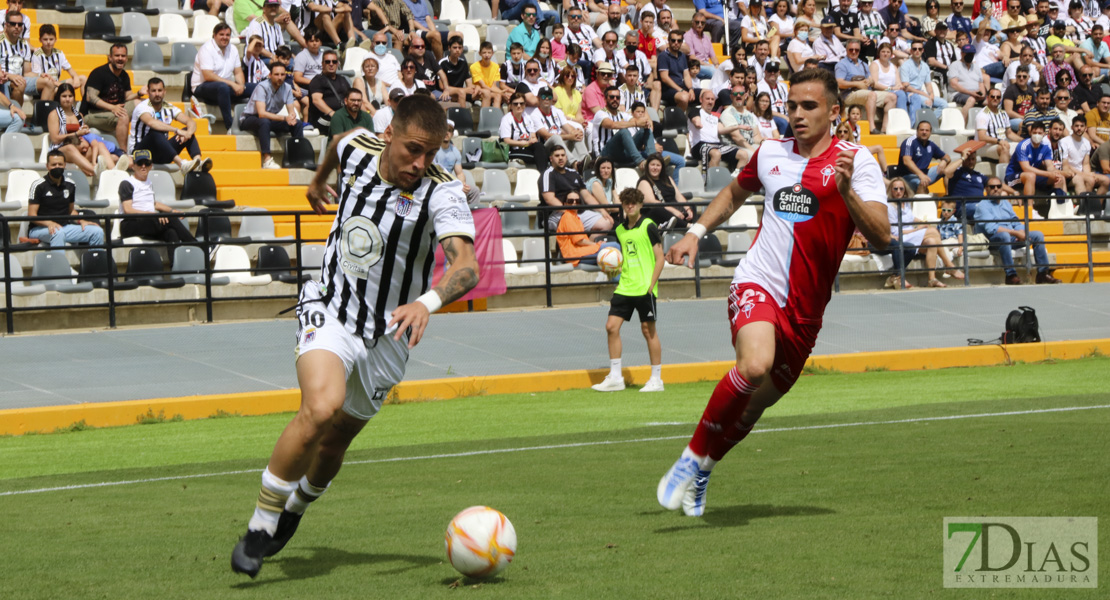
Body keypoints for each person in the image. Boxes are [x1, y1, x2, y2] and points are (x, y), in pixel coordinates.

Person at [230, 96, 480, 578]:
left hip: (389, 334)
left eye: (432, 153)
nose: (421, 163)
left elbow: (467, 267)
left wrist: (425, 303)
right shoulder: (359, 148)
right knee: (321, 407)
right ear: (389, 135)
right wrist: (318, 180)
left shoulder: (441, 191)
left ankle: (294, 511)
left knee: (334, 443)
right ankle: (260, 526)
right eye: (413, 150)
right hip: (330, 307)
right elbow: (338, 142)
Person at [656, 67, 890, 518]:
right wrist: (695, 231)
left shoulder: (855, 162)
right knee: (755, 365)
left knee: (749, 410)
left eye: (809, 106)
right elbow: (733, 193)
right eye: (792, 106)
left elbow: (881, 236)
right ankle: (691, 458)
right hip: (756, 282)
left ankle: (705, 468)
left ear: (834, 112)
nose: (797, 115)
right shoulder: (770, 153)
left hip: (805, 313)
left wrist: (846, 194)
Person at [591, 187, 666, 393]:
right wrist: (613, 268)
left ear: (640, 205)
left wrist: (652, 285)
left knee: (648, 331)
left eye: (633, 203)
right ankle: (616, 377)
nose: (630, 206)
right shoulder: (620, 229)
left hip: (645, 288)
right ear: (623, 205)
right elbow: (625, 256)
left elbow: (660, 257)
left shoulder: (649, 226)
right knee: (611, 327)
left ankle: (656, 379)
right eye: (626, 203)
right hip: (625, 286)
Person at [886, 177, 962, 287]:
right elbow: (896, 231)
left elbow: (911, 218)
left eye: (901, 189)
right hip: (902, 236)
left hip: (911, 234)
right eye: (895, 189)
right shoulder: (890, 206)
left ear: (905, 190)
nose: (898, 192)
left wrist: (922, 222)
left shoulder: (905, 203)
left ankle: (932, 279)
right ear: (891, 190)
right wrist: (917, 229)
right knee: (933, 231)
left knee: (932, 241)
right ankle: (950, 266)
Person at [119, 149, 198, 252]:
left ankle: (176, 266)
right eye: (139, 163)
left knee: (171, 233)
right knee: (169, 219)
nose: (143, 166)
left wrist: (171, 211)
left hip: (147, 221)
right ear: (133, 166)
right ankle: (198, 247)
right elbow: (127, 209)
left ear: (151, 166)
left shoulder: (148, 182)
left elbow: (152, 203)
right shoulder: (126, 183)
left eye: (146, 163)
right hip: (130, 224)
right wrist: (152, 215)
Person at [974, 193, 1062, 284]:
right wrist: (1015, 233)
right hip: (992, 240)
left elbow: (1015, 222)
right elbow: (991, 228)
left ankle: (1042, 274)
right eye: (992, 187)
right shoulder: (982, 205)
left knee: (1038, 235)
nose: (995, 189)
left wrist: (1021, 232)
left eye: (998, 186)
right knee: (1005, 236)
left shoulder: (1006, 203)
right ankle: (1011, 275)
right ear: (987, 189)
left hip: (1010, 237)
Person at [128, 77, 209, 174]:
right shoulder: (143, 107)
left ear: (164, 92)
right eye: (153, 91)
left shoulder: (168, 107)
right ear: (148, 92)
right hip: (140, 153)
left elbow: (191, 122)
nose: (157, 94)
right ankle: (182, 164)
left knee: (187, 129)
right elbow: (151, 122)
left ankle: (198, 163)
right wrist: (177, 130)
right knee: (156, 132)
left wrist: (188, 133)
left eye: (159, 90)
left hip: (161, 153)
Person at [27, 150, 104, 249]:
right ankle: (59, 264)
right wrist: (49, 223)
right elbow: (31, 215)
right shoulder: (38, 185)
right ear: (47, 166)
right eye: (54, 164)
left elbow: (70, 211)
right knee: (58, 232)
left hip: (64, 227)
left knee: (97, 231)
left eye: (60, 164)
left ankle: (95, 262)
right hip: (39, 229)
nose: (57, 167)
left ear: (65, 165)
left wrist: (81, 221)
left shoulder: (70, 184)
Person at [240, 63, 306, 169]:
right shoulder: (262, 87)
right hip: (250, 118)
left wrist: (292, 118)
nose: (280, 77)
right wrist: (285, 118)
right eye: (276, 74)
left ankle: (296, 159)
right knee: (264, 121)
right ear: (270, 75)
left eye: (282, 74)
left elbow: (291, 111)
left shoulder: (288, 88)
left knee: (297, 124)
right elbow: (262, 114)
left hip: (270, 118)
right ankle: (267, 160)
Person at [540, 145, 612, 231]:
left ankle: (590, 244)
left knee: (607, 223)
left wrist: (602, 210)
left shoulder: (574, 173)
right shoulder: (548, 174)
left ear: (566, 157)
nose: (560, 158)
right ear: (551, 159)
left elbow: (587, 196)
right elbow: (549, 199)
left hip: (578, 212)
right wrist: (569, 213)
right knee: (572, 224)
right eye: (557, 155)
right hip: (557, 213)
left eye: (563, 155)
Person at [82, 44, 139, 150]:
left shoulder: (124, 75)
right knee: (123, 116)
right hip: (92, 115)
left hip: (113, 113)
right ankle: (123, 153)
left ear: (127, 58)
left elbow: (128, 96)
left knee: (141, 105)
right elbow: (91, 98)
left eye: (123, 56)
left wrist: (139, 93)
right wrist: (112, 108)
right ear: (110, 57)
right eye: (117, 56)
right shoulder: (99, 73)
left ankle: (142, 148)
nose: (120, 59)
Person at [191, 23, 248, 128]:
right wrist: (232, 83)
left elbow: (238, 72)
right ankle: (230, 127)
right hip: (202, 86)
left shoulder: (233, 49)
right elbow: (208, 75)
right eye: (221, 34)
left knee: (255, 87)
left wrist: (240, 85)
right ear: (214, 35)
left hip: (224, 87)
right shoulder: (206, 49)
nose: (225, 37)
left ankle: (251, 123)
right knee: (223, 88)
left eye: (227, 35)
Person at [836, 40, 896, 133]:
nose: (854, 52)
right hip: (849, 94)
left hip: (864, 91)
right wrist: (856, 84)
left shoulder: (863, 64)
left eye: (856, 50)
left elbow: (871, 79)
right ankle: (872, 128)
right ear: (847, 50)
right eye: (851, 49)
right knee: (871, 95)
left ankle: (884, 129)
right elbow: (839, 83)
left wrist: (870, 81)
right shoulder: (842, 64)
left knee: (892, 97)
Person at [1006, 120, 1068, 206]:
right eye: (1034, 132)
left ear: (1044, 134)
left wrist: (1055, 173)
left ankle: (1060, 207)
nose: (1037, 135)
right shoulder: (1023, 145)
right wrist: (1048, 174)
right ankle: (1029, 210)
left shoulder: (1046, 147)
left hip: (1034, 176)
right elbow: (1026, 168)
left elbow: (1050, 167)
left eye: (1039, 133)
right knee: (1030, 175)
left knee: (1059, 177)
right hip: (1013, 176)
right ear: (1030, 133)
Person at [555, 190, 619, 266]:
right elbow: (579, 241)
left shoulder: (574, 217)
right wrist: (596, 244)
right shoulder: (568, 217)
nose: (574, 203)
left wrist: (596, 245)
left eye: (577, 201)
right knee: (615, 247)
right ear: (565, 204)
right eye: (570, 201)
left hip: (580, 252)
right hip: (575, 256)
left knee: (613, 251)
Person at [530, 86, 589, 167]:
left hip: (561, 142)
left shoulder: (556, 111)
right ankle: (574, 163)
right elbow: (546, 135)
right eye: (543, 97)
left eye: (549, 97)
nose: (547, 99)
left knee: (577, 133)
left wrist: (575, 133)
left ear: (552, 100)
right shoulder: (534, 115)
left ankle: (585, 161)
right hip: (546, 147)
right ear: (538, 99)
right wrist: (569, 136)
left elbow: (567, 127)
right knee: (555, 137)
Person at [689, 88, 742, 170]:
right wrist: (698, 123)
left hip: (716, 145)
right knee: (716, 153)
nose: (710, 102)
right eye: (707, 99)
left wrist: (738, 126)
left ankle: (736, 179)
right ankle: (712, 181)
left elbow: (721, 130)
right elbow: (695, 120)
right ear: (701, 99)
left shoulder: (715, 117)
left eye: (712, 99)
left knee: (743, 154)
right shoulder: (695, 111)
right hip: (699, 145)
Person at [637, 153, 694, 226]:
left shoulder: (668, 179)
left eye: (658, 165)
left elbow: (679, 196)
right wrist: (673, 211)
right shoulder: (644, 181)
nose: (655, 168)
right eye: (652, 165)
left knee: (692, 207)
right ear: (648, 166)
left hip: (675, 209)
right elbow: (651, 202)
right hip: (658, 212)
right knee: (658, 210)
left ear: (662, 167)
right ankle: (688, 226)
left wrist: (688, 209)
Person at [901, 40, 948, 123]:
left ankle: (928, 123)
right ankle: (922, 125)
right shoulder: (905, 65)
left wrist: (932, 94)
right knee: (927, 103)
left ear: (923, 50)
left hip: (921, 93)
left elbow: (928, 84)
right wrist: (925, 94)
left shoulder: (925, 66)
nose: (917, 51)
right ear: (911, 51)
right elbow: (906, 86)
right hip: (910, 93)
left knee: (944, 104)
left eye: (919, 49)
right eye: (914, 49)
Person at [896, 121, 950, 192]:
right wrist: (921, 175)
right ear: (917, 131)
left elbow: (947, 157)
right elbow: (907, 161)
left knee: (949, 168)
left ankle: (948, 197)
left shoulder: (931, 144)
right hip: (908, 176)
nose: (924, 132)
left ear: (930, 132)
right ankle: (921, 202)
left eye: (927, 130)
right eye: (922, 130)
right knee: (922, 182)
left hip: (924, 174)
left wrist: (944, 161)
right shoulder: (909, 142)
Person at [1059, 117, 1110, 193]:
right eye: (1076, 126)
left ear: (1086, 128)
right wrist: (1085, 175)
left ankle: (1097, 204)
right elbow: (1066, 164)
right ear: (1072, 127)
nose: (1079, 128)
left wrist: (1088, 174)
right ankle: (1086, 204)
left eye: (1082, 126)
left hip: (1082, 173)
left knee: (1106, 180)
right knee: (1090, 179)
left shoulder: (1086, 143)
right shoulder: (1064, 142)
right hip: (1069, 174)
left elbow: (1085, 164)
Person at [500, 91, 548, 169]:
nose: (519, 106)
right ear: (511, 106)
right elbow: (506, 141)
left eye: (521, 103)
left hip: (527, 147)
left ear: (525, 105)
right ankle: (543, 175)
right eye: (516, 104)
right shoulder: (506, 119)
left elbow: (533, 136)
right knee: (541, 155)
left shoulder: (527, 117)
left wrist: (532, 140)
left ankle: (543, 174)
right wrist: (522, 143)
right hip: (513, 150)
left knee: (540, 147)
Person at [310, 50, 352, 135]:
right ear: (322, 64)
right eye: (328, 62)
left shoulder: (343, 79)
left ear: (338, 64)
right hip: (324, 118)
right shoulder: (317, 80)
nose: (331, 64)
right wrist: (332, 114)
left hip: (342, 116)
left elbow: (350, 98)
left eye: (334, 61)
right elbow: (316, 100)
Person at [435, 127, 480, 204]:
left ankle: (471, 216)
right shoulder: (434, 149)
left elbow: (460, 173)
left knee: (474, 191)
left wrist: (462, 185)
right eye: (444, 130)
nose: (446, 133)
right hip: (436, 184)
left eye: (449, 131)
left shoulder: (455, 151)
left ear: (452, 134)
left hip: (450, 185)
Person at [30, 25, 74, 101]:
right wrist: (57, 84)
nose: (48, 42)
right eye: (45, 39)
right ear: (40, 40)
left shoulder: (59, 53)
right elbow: (38, 77)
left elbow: (70, 69)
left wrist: (76, 78)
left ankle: (82, 109)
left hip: (57, 84)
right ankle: (46, 109)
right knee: (52, 87)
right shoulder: (37, 55)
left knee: (82, 79)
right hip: (45, 86)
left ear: (56, 39)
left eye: (51, 39)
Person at [943, 148, 988, 218]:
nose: (971, 162)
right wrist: (963, 158)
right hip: (962, 208)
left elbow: (994, 183)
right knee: (981, 208)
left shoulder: (979, 175)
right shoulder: (957, 172)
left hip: (979, 207)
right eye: (968, 159)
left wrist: (1011, 191)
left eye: (973, 159)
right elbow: (947, 171)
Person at [949, 43, 989, 119]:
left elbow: (980, 83)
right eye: (968, 53)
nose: (970, 55)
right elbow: (954, 84)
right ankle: (961, 123)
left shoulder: (976, 67)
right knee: (971, 99)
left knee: (991, 101)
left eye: (971, 54)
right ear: (962, 53)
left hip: (975, 93)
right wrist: (970, 93)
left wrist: (982, 94)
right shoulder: (955, 65)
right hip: (957, 93)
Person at [976, 87, 1017, 162]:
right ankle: (1004, 173)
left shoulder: (1003, 113)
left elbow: (1009, 133)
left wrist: (1023, 140)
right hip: (985, 146)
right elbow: (982, 137)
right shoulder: (983, 115)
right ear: (988, 98)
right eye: (992, 96)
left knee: (1024, 146)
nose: (995, 99)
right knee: (1004, 147)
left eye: (998, 97)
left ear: (1000, 99)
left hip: (1001, 143)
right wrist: (999, 141)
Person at [658, 31, 693, 109]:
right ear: (669, 41)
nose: (676, 43)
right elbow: (664, 78)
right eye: (673, 40)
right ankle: (677, 120)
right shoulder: (663, 56)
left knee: (706, 94)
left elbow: (686, 75)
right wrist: (680, 90)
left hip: (682, 88)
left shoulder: (683, 56)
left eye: (679, 41)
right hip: (668, 90)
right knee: (684, 98)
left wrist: (690, 89)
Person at [470, 42, 503, 108]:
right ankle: (485, 117)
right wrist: (502, 92)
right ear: (480, 53)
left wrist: (501, 93)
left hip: (491, 91)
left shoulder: (496, 66)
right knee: (487, 92)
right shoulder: (474, 66)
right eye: (484, 53)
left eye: (489, 52)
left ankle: (495, 116)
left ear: (492, 53)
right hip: (478, 92)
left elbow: (493, 86)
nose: (487, 55)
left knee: (498, 95)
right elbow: (483, 85)